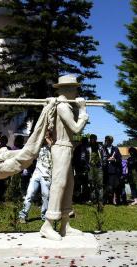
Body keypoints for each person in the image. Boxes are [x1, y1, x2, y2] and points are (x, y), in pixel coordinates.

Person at [40, 74, 89, 241]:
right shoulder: (62, 106)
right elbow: (76, 129)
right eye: (74, 88)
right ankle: (47, 225)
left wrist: (77, 108)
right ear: (67, 89)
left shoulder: (66, 106)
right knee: (59, 184)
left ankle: (64, 225)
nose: (76, 91)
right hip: (60, 147)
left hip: (66, 148)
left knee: (68, 184)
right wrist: (83, 110)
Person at [19, 132, 53, 223]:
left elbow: (54, 147)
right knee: (29, 194)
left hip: (47, 174)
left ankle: (45, 216)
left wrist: (47, 139)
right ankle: (23, 215)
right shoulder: (38, 147)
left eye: (47, 135)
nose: (44, 137)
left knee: (46, 196)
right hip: (36, 174)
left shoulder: (53, 146)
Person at [101, 135, 122, 205]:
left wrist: (115, 159)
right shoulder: (102, 149)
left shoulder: (116, 149)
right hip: (105, 170)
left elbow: (120, 159)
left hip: (114, 171)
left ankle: (114, 200)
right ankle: (104, 200)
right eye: (106, 140)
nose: (107, 141)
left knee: (114, 186)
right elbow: (100, 159)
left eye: (109, 140)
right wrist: (107, 160)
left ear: (111, 141)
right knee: (105, 186)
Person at [73, 137, 90, 202]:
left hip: (78, 168)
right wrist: (87, 166)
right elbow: (83, 159)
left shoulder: (77, 148)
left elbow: (74, 158)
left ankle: (77, 198)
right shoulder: (85, 148)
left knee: (78, 184)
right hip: (82, 168)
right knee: (83, 184)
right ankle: (82, 198)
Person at [88, 134, 103, 203]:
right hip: (91, 167)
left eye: (94, 138)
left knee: (99, 184)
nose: (92, 140)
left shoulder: (100, 147)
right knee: (92, 183)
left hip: (98, 167)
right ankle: (93, 199)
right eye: (91, 138)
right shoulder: (87, 147)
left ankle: (100, 199)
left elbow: (103, 156)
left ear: (96, 139)